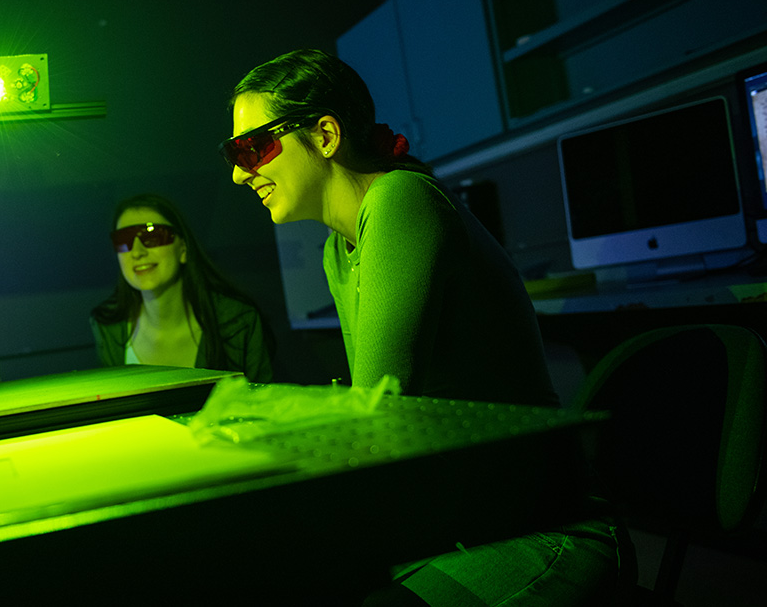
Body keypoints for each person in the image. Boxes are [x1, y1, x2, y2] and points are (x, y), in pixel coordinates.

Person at [223, 49, 621, 605]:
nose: (241, 172)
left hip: (539, 532)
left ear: (326, 135)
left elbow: (377, 416)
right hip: (456, 527)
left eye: (252, 147)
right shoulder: (339, 252)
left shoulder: (401, 199)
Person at [90, 193, 273, 384]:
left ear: (183, 249)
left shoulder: (237, 322)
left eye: (152, 235)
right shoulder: (108, 326)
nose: (137, 252)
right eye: (123, 240)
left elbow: (264, 404)